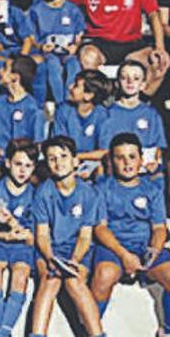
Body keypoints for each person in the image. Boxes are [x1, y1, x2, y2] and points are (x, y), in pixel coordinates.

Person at [90, 133, 170, 331]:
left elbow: (159, 228)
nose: (127, 163)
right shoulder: (102, 187)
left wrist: (153, 251)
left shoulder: (152, 188)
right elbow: (100, 228)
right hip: (114, 248)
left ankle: (167, 330)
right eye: (120, 157)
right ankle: (91, 330)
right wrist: (124, 256)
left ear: (141, 159)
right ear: (111, 160)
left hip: (145, 247)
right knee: (104, 275)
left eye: (132, 157)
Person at [29, 136, 105, 337]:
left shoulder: (89, 193)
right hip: (50, 250)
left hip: (76, 250)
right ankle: (37, 334)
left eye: (63, 156)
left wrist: (74, 261)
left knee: (74, 281)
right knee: (50, 279)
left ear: (75, 160)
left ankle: (98, 334)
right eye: (52, 158)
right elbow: (43, 235)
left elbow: (85, 237)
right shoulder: (44, 192)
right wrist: (50, 258)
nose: (58, 162)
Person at [0, 139, 38, 337]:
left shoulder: (35, 195)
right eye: (18, 164)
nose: (22, 170)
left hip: (21, 246)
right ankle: (4, 331)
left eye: (28, 166)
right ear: (8, 163)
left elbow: (35, 234)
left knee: (20, 276)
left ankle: (3, 332)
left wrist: (23, 232)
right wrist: (3, 233)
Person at [0, 56, 45, 193]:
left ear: (15, 77)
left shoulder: (34, 109)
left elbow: (37, 145)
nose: (0, 72)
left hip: (21, 162)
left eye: (4, 69)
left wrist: (18, 160)